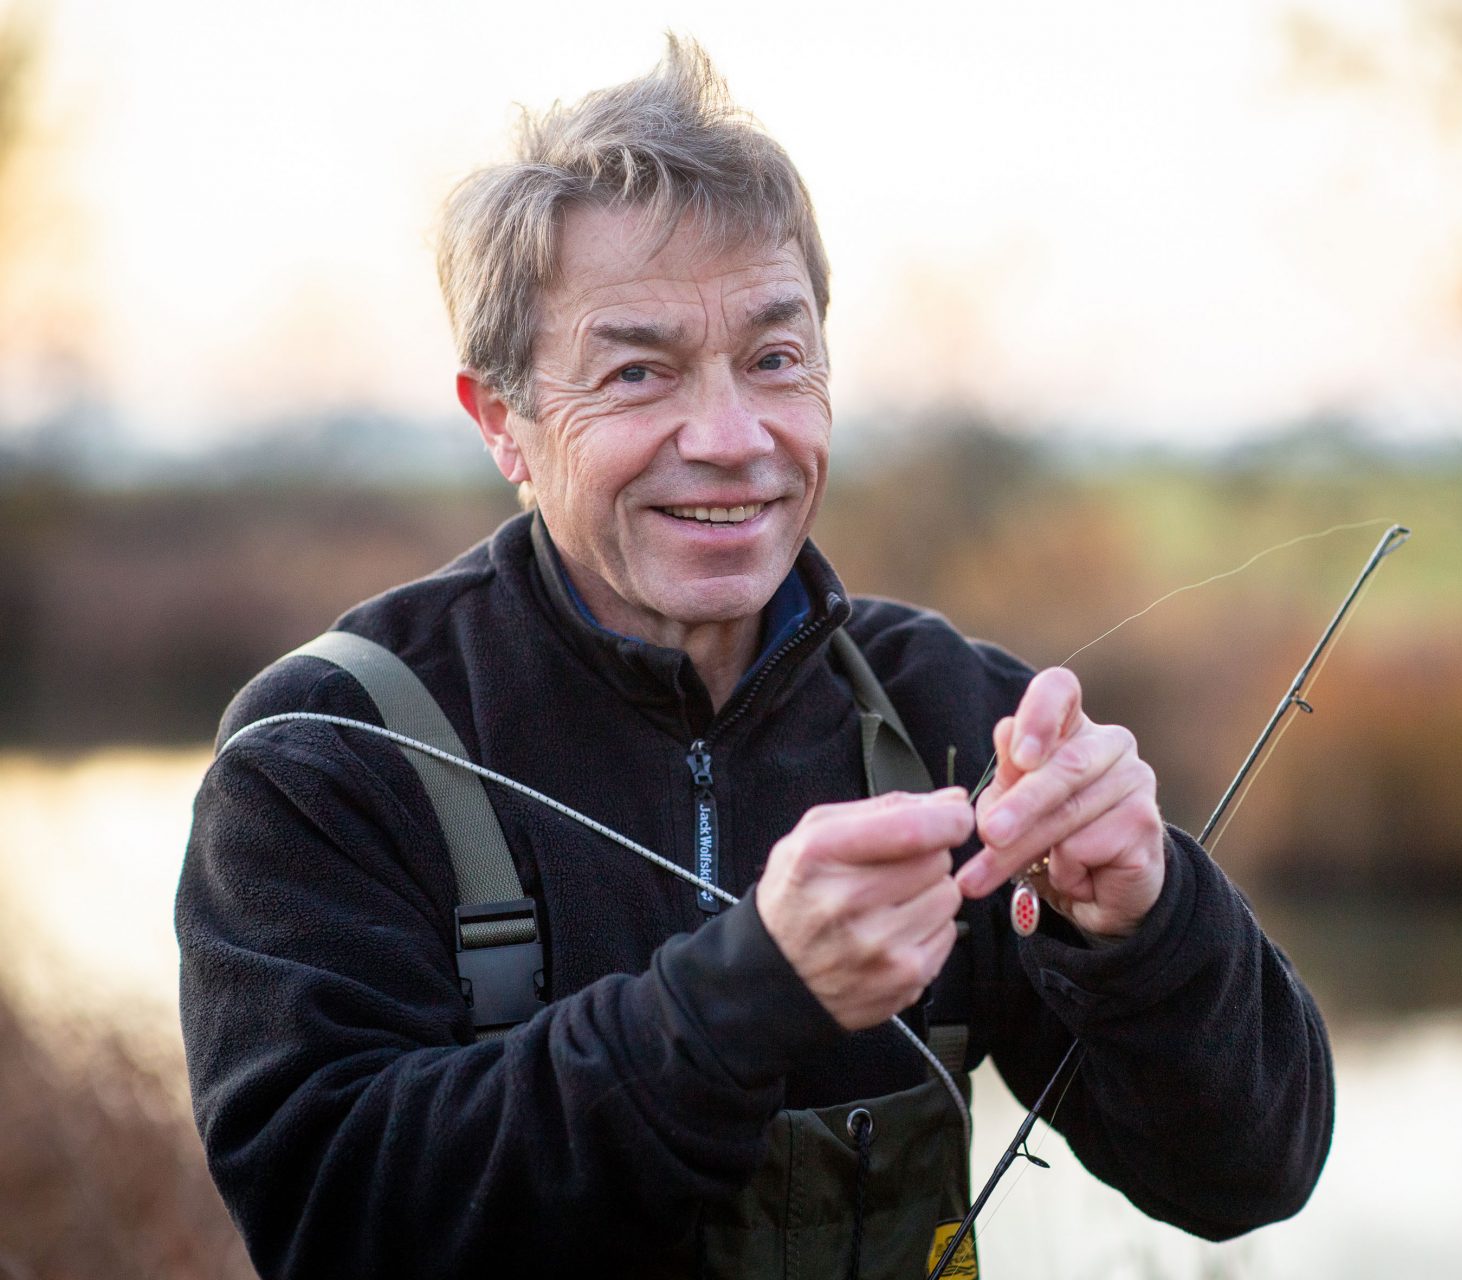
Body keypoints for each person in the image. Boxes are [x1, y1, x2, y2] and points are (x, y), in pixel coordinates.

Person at [176, 37, 1333, 1279]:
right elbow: (330, 1221)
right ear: (502, 420)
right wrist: (739, 1000)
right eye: (639, 371)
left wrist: (1146, 920)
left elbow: (1246, 1175)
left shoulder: (957, 711)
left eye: (775, 360)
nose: (732, 438)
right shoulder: (327, 748)